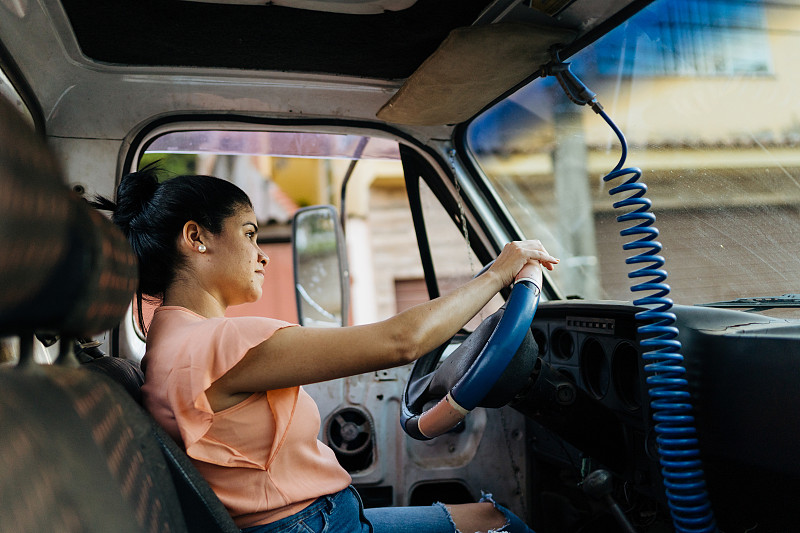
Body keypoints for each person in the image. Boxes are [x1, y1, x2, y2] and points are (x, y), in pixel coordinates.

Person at [92, 164, 559, 533]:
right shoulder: (222, 342)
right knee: (498, 524)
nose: (263, 254)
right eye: (250, 233)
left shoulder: (166, 346)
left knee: (486, 519)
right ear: (196, 238)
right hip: (311, 525)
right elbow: (402, 341)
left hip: (300, 522)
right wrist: (500, 272)